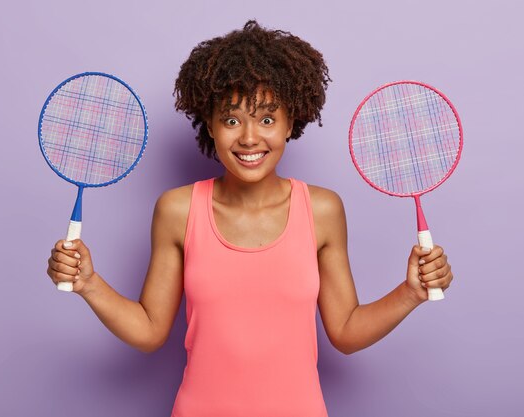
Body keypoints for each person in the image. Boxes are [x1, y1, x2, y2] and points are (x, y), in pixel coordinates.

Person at [46, 20, 454, 417]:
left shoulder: (323, 210)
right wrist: (88, 283)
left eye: (267, 119)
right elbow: (150, 330)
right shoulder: (177, 209)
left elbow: (346, 332)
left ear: (291, 122)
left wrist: (411, 292)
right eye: (231, 119)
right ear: (209, 123)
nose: (249, 138)